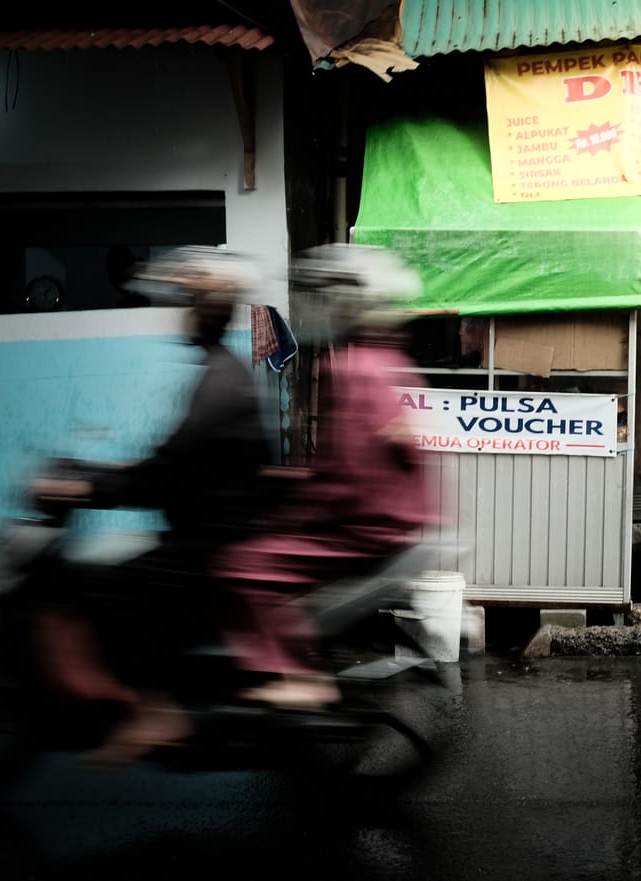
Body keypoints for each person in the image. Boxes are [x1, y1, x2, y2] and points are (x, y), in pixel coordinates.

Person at [32, 245, 273, 764]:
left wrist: (88, 489)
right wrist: (95, 474)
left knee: (108, 586)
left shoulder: (218, 386)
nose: (181, 313)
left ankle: (156, 709)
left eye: (187, 302)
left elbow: (164, 473)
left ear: (206, 310)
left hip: (205, 545)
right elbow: (169, 463)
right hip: (206, 530)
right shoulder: (220, 371)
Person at [212, 243, 437, 708]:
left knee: (240, 566)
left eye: (327, 298)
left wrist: (293, 514)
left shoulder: (350, 370)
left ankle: (292, 674)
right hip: (394, 518)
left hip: (362, 525)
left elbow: (348, 478)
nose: (321, 309)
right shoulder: (390, 364)